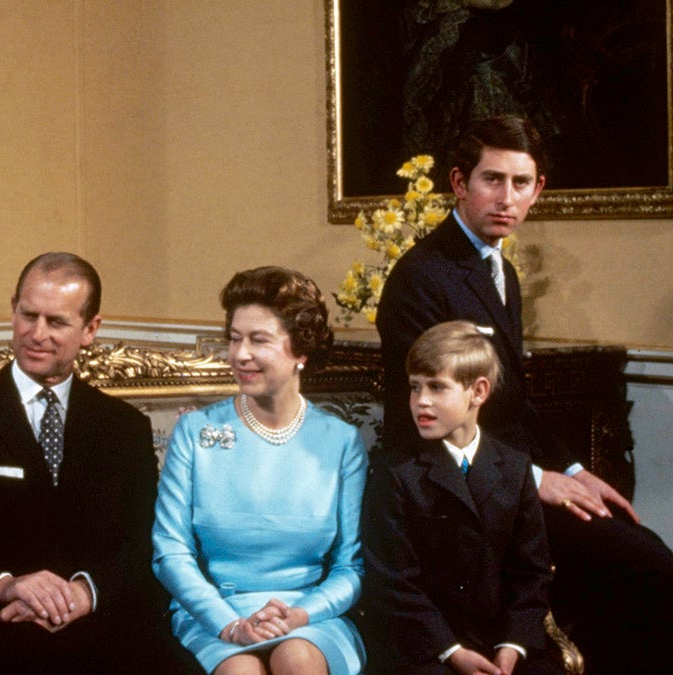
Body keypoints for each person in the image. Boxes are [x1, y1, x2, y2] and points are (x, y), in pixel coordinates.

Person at [376, 115, 673, 674]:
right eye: (492, 180)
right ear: (460, 183)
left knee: (641, 550)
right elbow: (426, 416)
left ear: (538, 190)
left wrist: (577, 469)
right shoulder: (421, 276)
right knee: (644, 565)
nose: (506, 198)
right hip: (460, 494)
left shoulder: (501, 271)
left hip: (508, 476)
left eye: (520, 183)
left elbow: (513, 407)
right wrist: (536, 480)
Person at [0, 252, 175, 674]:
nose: (36, 334)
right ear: (13, 310)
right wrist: (4, 586)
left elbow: (144, 544)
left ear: (90, 329)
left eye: (57, 322)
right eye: (28, 315)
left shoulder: (125, 429)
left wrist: (85, 593)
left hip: (102, 631)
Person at [152, 266, 367, 675]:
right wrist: (230, 625)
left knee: (298, 659)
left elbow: (350, 568)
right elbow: (170, 552)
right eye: (234, 339)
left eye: (258, 340)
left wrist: (299, 616)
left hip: (309, 617)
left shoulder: (341, 442)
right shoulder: (196, 433)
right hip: (214, 613)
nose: (240, 354)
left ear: (300, 351)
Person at [363, 321, 561, 675]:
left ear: (478, 391)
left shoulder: (514, 467)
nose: (421, 401)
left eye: (437, 387)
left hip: (499, 641)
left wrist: (512, 645)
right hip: (424, 645)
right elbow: (393, 581)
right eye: (415, 387)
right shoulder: (395, 472)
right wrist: (450, 650)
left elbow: (531, 573)